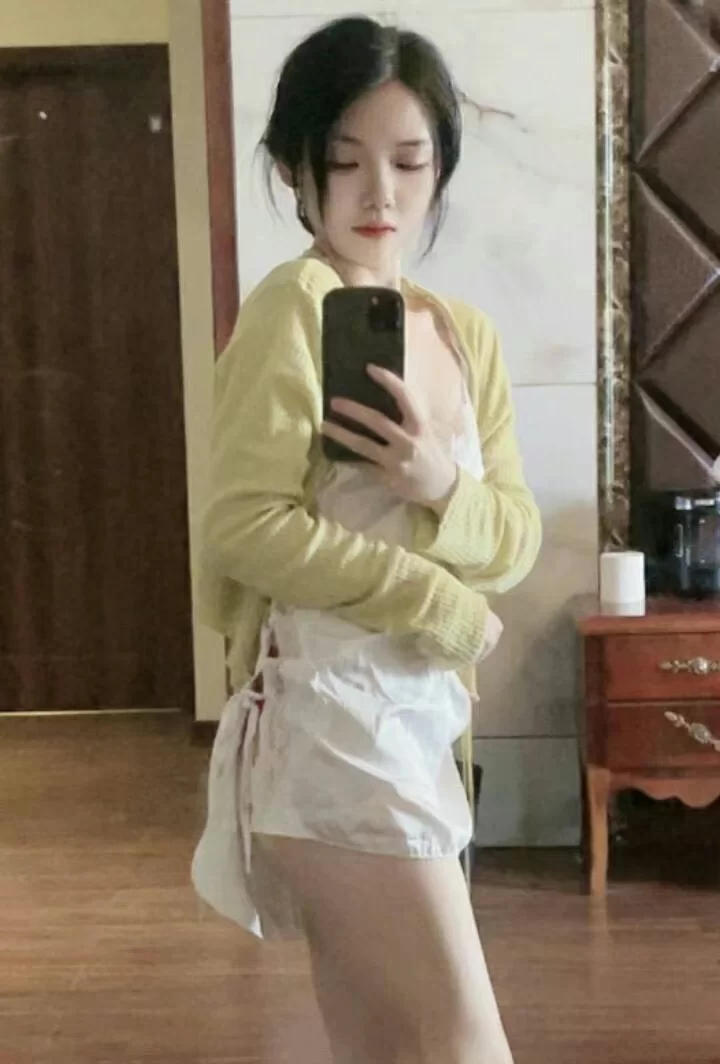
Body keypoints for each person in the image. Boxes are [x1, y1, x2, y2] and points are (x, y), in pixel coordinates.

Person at [192, 16, 541, 1064]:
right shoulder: (293, 308)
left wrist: (439, 486)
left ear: (441, 169)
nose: (379, 192)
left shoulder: (463, 334)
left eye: (409, 160)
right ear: (294, 169)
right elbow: (244, 525)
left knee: (385, 1044)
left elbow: (516, 537)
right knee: (467, 1039)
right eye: (344, 161)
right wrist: (435, 599)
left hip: (417, 729)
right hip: (332, 727)